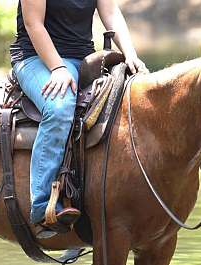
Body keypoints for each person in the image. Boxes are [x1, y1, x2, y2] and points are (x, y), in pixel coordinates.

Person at [9, 0, 147, 238]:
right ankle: (43, 206)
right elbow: (33, 24)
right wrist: (58, 68)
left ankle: (94, 200)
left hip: (83, 61)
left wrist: (130, 54)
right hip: (37, 58)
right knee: (59, 108)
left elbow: (111, 12)